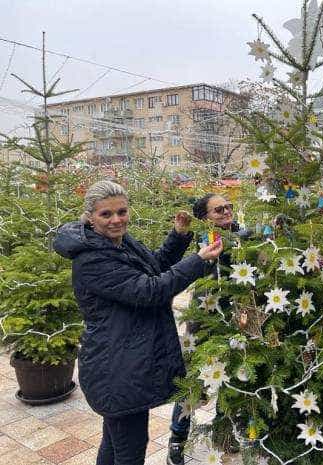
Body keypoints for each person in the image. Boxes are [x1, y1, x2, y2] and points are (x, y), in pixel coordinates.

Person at [53, 181, 223, 465]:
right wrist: (198, 261)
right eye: (106, 214)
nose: (116, 219)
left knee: (115, 442)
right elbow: (150, 290)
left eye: (121, 211)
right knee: (130, 450)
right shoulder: (92, 259)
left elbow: (154, 266)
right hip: (116, 367)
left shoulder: (119, 242)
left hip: (127, 362)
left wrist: (179, 236)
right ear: (90, 217)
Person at [168, 193, 246, 465]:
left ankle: (224, 436)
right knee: (193, 384)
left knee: (230, 380)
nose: (226, 212)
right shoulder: (205, 243)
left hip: (235, 323)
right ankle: (177, 439)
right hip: (203, 323)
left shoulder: (242, 237)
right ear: (205, 218)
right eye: (218, 210)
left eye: (228, 207)